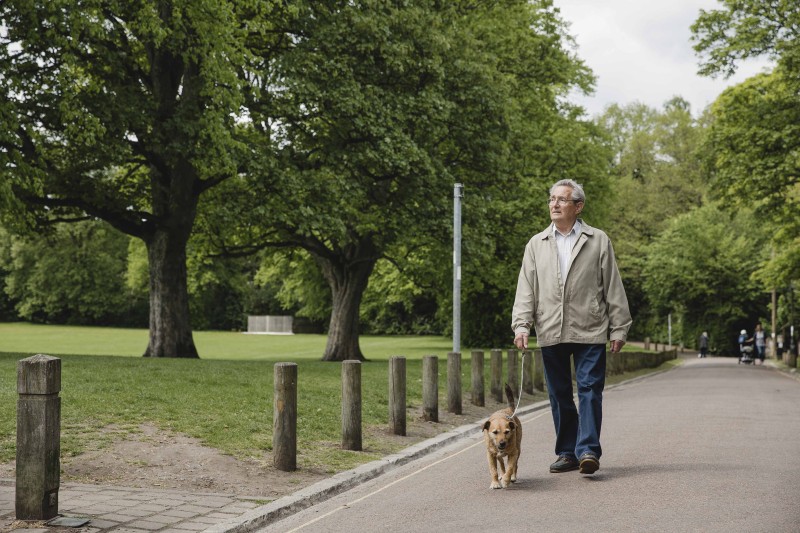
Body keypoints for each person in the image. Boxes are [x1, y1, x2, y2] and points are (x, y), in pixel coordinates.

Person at [511, 179, 632, 476]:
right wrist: (522, 325)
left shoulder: (598, 240)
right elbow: (526, 287)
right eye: (552, 199)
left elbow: (612, 286)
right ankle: (567, 452)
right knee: (559, 393)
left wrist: (619, 327)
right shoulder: (536, 243)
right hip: (550, 327)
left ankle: (588, 449)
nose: (554, 204)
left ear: (578, 206)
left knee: (590, 388)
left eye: (562, 200)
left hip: (590, 327)